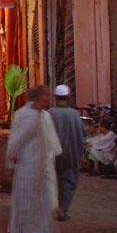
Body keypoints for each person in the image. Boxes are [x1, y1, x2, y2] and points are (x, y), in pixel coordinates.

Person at [5, 85, 66, 233]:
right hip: (28, 169)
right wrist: (10, 164)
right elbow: (16, 142)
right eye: (46, 95)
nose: (49, 98)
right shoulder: (28, 116)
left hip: (42, 168)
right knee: (24, 205)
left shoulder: (43, 115)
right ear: (38, 98)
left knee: (47, 201)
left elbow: (49, 139)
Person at [48, 84, 86, 222]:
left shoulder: (50, 113)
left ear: (55, 97)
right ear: (68, 97)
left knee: (53, 180)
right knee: (68, 180)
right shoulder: (73, 115)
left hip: (53, 154)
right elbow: (82, 133)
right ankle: (62, 209)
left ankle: (53, 207)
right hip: (70, 153)